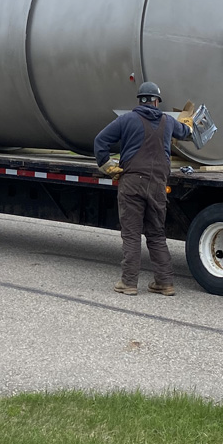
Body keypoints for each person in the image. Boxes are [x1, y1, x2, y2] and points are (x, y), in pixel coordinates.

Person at [93, 81, 194, 297]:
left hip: (131, 183)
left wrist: (106, 164)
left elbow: (100, 140)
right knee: (156, 234)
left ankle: (129, 283)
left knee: (131, 234)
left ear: (140, 100)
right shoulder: (168, 121)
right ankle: (165, 283)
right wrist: (191, 124)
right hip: (157, 185)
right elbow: (187, 132)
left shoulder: (127, 120)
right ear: (157, 101)